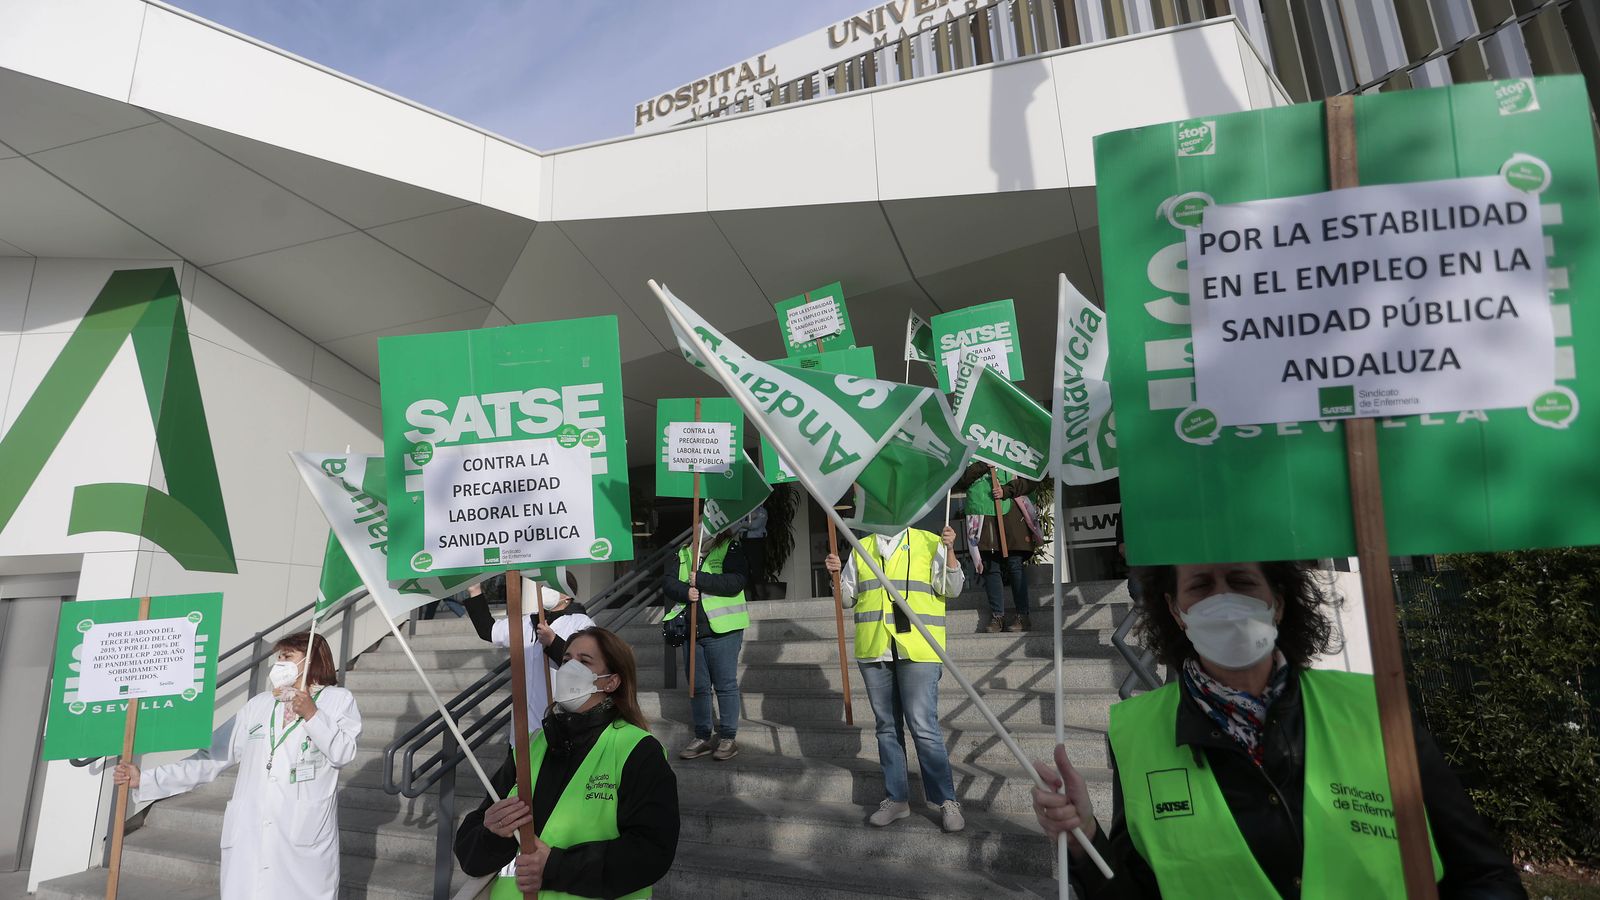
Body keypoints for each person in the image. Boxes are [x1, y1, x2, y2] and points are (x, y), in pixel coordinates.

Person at [1031, 560, 1527, 899]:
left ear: (1279, 602)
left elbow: (1481, 874)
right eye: (1200, 586)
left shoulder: (1374, 709)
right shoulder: (1136, 733)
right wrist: (1083, 839)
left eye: (1243, 582)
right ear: (1177, 613)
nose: (1222, 600)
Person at [112, 633, 361, 900]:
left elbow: (343, 753)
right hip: (249, 834)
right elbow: (211, 757)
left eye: (287, 657)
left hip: (301, 836)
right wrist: (147, 780)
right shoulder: (259, 705)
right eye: (278, 657)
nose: (279, 663)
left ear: (310, 660)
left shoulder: (337, 701)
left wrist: (312, 714)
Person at [454, 627, 679, 898]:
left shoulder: (638, 750)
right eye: (566, 660)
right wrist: (491, 833)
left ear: (611, 682)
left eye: (584, 661)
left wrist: (555, 866)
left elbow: (652, 851)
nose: (571, 668)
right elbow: (470, 855)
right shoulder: (530, 746)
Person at [825, 524, 966, 833]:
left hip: (918, 648)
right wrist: (835, 576)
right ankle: (897, 798)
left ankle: (946, 800)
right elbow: (847, 600)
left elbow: (952, 589)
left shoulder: (931, 541)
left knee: (923, 726)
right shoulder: (860, 546)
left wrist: (951, 551)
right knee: (887, 727)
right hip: (875, 649)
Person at [464, 571, 597, 745]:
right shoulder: (528, 621)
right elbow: (488, 630)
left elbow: (584, 668)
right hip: (523, 727)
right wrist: (475, 590)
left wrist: (553, 642)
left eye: (550, 587)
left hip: (560, 724)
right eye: (542, 586)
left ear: (567, 595)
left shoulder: (582, 623)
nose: (543, 590)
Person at [662, 528, 749, 761]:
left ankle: (728, 737)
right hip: (692, 631)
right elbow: (669, 582)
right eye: (699, 523)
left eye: (707, 523)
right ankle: (702, 735)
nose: (701, 528)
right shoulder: (684, 552)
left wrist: (700, 580)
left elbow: (737, 581)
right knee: (698, 687)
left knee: (725, 684)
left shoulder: (729, 545)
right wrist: (686, 591)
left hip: (723, 629)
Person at [954, 462, 1043, 633]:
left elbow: (1033, 477)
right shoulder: (970, 450)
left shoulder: (1013, 444)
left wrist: (1007, 490)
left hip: (1011, 512)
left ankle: (1022, 615)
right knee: (990, 565)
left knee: (1015, 563)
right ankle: (997, 616)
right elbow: (960, 481)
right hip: (981, 511)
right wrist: (983, 465)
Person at [736, 504, 769, 596]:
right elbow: (736, 526)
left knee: (756, 569)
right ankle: (750, 595)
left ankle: (760, 595)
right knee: (745, 568)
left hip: (756, 543)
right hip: (744, 542)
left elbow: (754, 525)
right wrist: (743, 525)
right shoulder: (744, 510)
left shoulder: (762, 511)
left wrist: (742, 525)